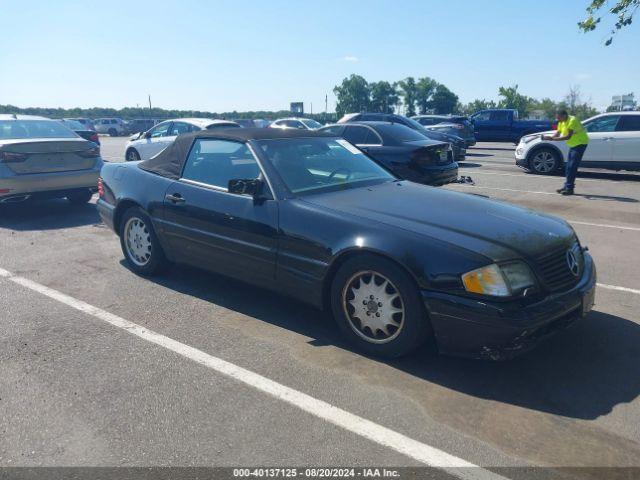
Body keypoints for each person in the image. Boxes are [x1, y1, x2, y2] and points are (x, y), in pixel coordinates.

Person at [542, 110, 589, 195]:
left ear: (564, 115)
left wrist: (552, 139)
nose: (557, 119)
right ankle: (566, 186)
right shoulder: (561, 122)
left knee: (572, 166)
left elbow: (568, 136)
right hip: (573, 145)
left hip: (581, 143)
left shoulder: (572, 120)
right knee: (568, 167)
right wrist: (550, 137)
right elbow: (558, 133)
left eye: (559, 117)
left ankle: (570, 189)